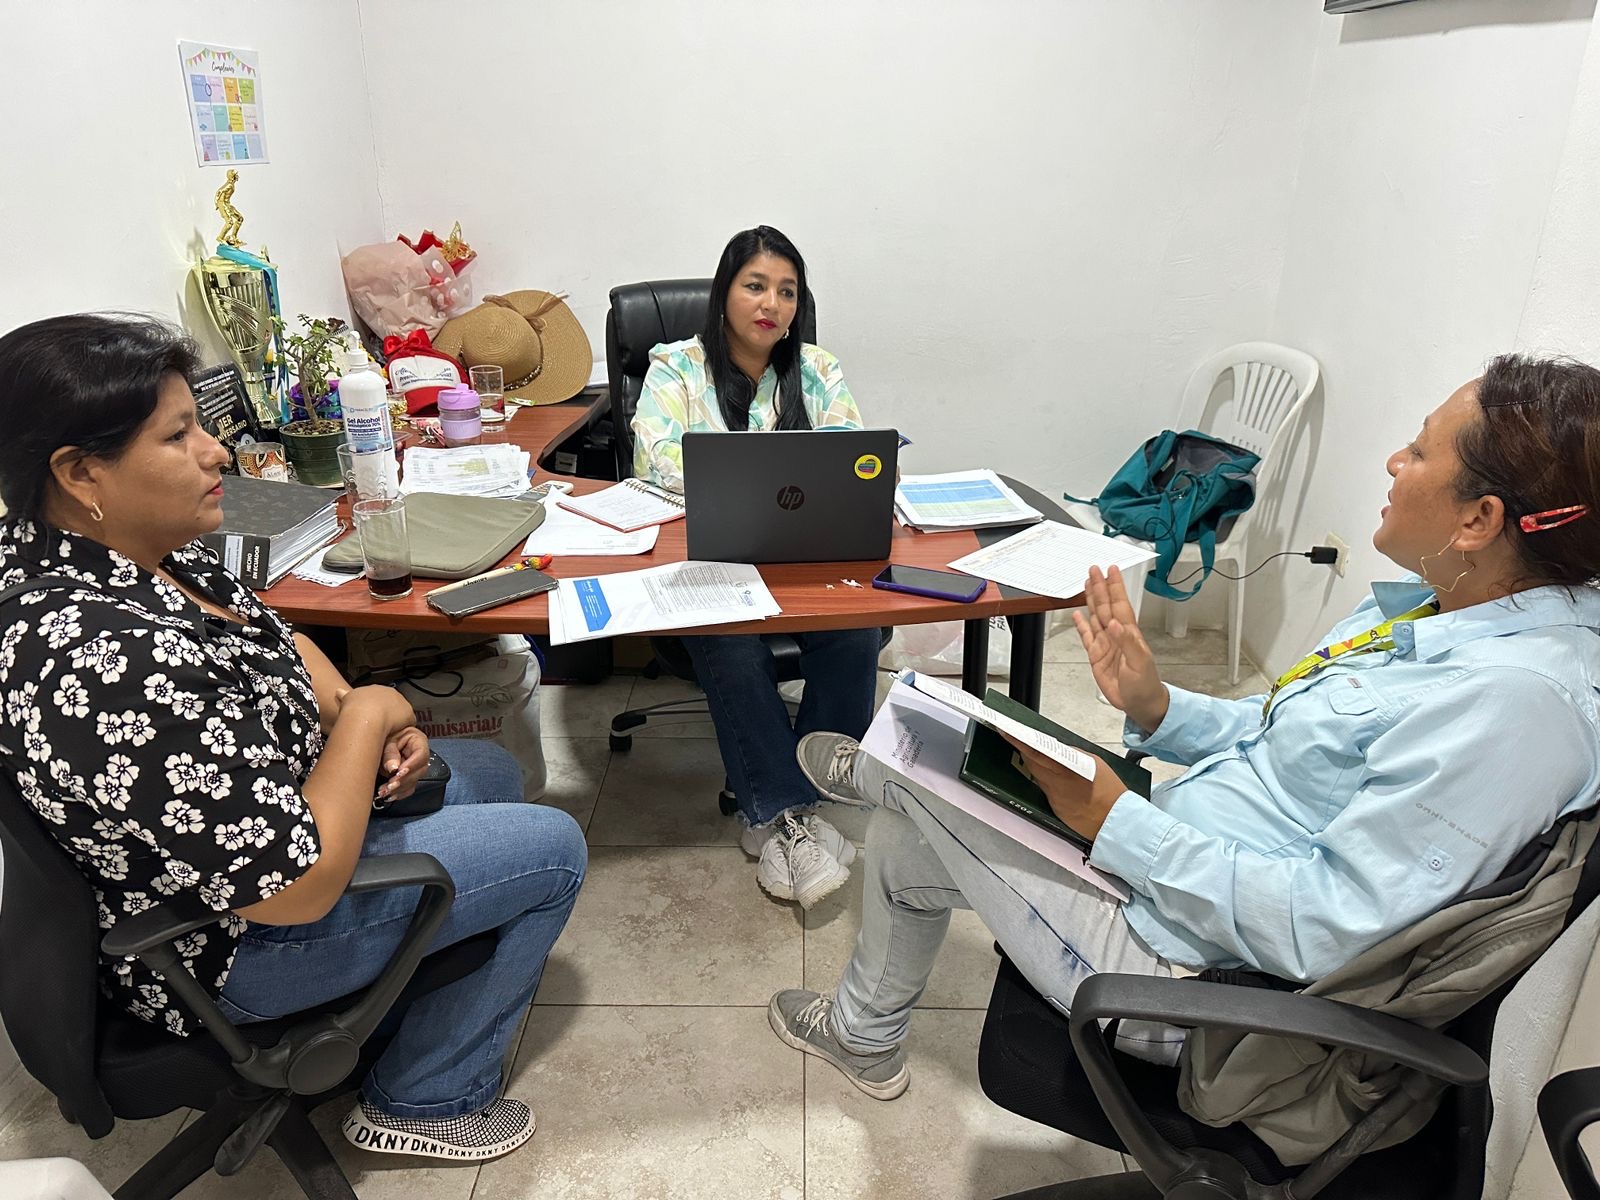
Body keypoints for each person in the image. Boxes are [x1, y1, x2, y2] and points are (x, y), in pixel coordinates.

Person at [765, 354, 1600, 1100]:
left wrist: (1115, 823)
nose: (1393, 461)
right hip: (1180, 875)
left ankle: (876, 773)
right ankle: (864, 1034)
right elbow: (1288, 745)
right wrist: (1158, 705)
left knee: (925, 770)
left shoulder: (1515, 709)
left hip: (1201, 983)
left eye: (1418, 451)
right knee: (918, 824)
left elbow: (1322, 928)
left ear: (1479, 520)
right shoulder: (1435, 607)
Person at [0, 314, 587, 1163]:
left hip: (266, 819)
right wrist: (373, 713)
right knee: (553, 849)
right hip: (225, 944)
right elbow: (295, 890)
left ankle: (404, 1013)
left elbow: (277, 640)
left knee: (489, 770)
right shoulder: (105, 658)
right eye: (178, 435)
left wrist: (346, 703)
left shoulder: (130, 548)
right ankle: (425, 1100)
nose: (217, 452)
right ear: (81, 471)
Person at [631, 226, 882, 909]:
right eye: (756, 285)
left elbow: (850, 453)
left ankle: (808, 800)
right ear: (724, 293)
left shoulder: (817, 370)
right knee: (730, 643)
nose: (772, 303)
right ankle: (786, 813)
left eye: (787, 291)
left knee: (858, 631)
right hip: (711, 557)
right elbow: (654, 458)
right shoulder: (676, 367)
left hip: (803, 555)